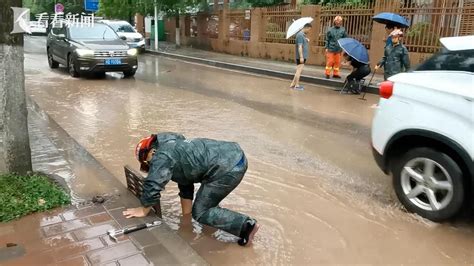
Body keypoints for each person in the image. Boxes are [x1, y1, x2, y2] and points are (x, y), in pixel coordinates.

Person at [123, 132, 260, 246]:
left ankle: (246, 226)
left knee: (200, 212)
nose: (150, 166)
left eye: (147, 162)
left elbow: (153, 184)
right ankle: (215, 220)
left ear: (152, 151)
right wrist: (186, 221)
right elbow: (185, 183)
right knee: (205, 204)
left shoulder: (161, 156)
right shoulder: (174, 146)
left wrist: (144, 209)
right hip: (233, 156)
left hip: (227, 168)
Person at [290, 23, 312, 90]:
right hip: (301, 56)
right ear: (306, 28)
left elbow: (302, 44)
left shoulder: (302, 35)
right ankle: (297, 85)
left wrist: (306, 40)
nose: (309, 31)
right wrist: (301, 57)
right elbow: (299, 47)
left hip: (302, 55)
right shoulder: (300, 35)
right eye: (309, 29)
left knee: (298, 70)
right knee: (299, 71)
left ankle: (293, 84)